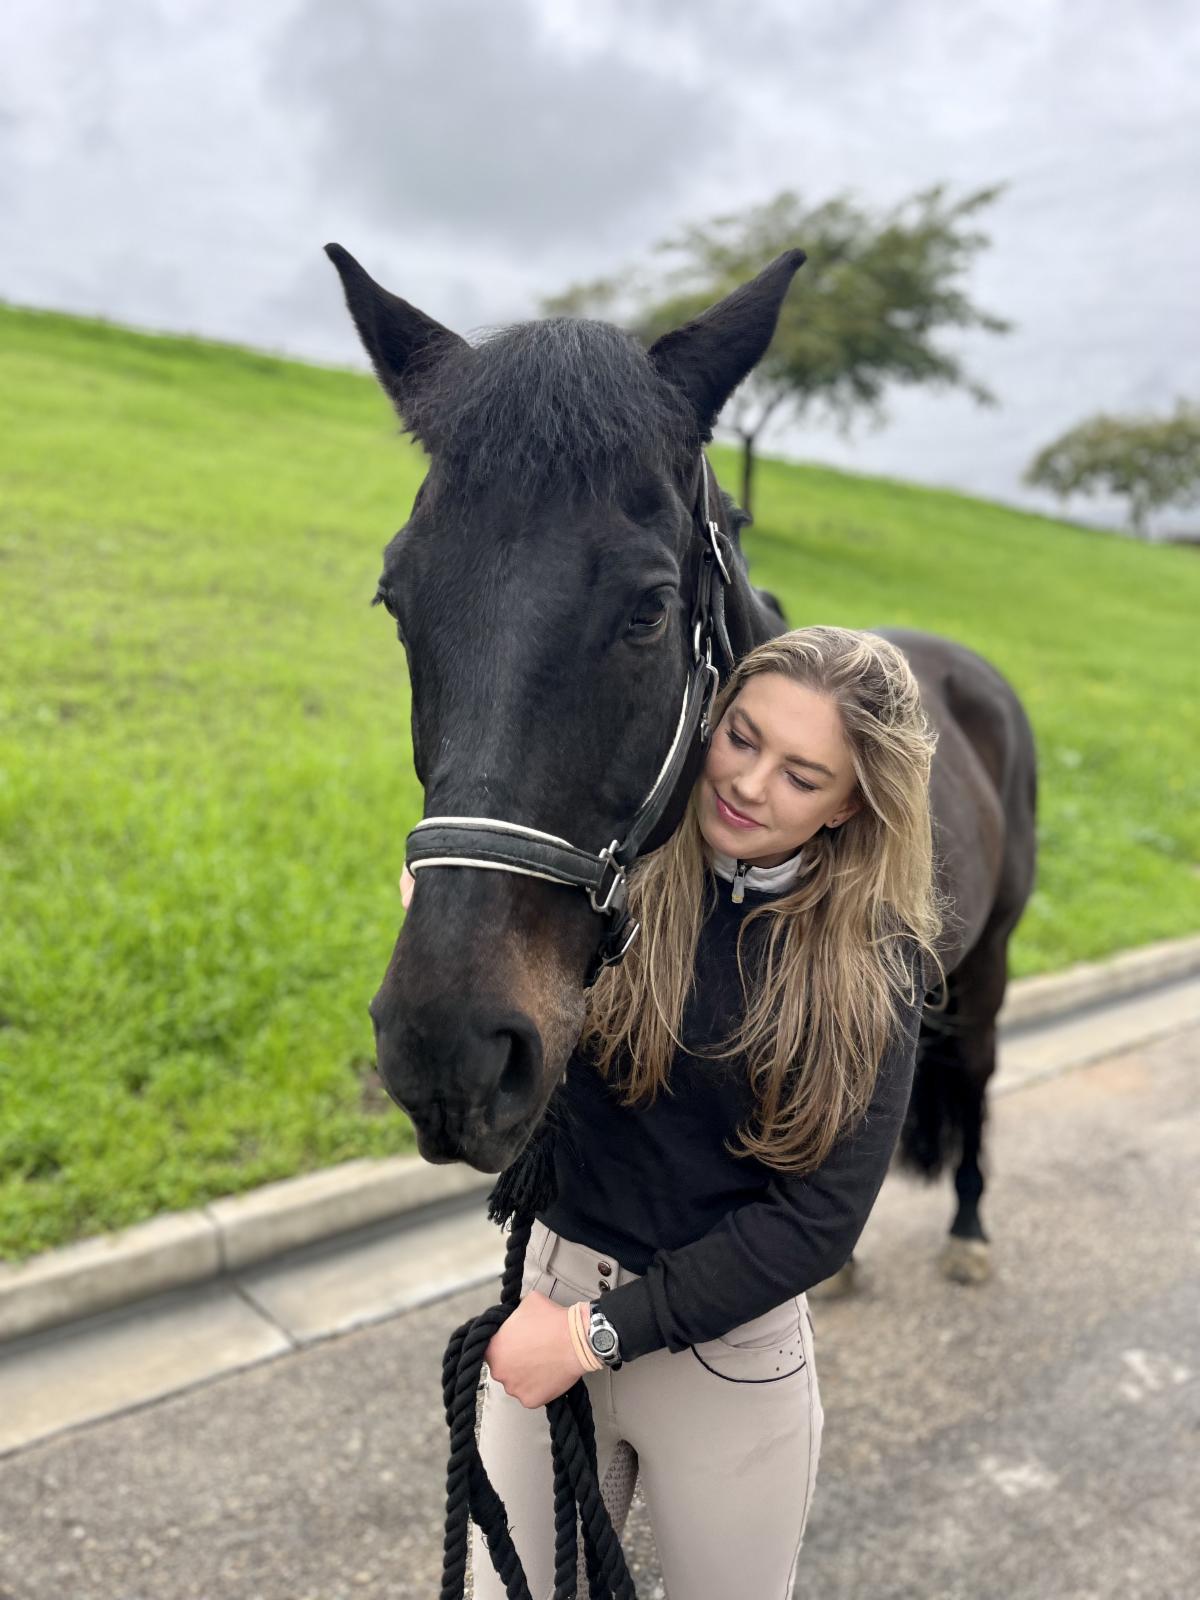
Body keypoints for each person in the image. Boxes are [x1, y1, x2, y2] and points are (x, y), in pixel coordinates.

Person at [406, 625, 945, 1599]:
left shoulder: (877, 969)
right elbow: (513, 1083)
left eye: (801, 775)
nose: (749, 783)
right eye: (741, 737)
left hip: (723, 1357)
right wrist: (463, 949)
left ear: (849, 805)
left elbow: (817, 1222)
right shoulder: (610, 884)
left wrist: (591, 1337)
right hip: (550, 1294)